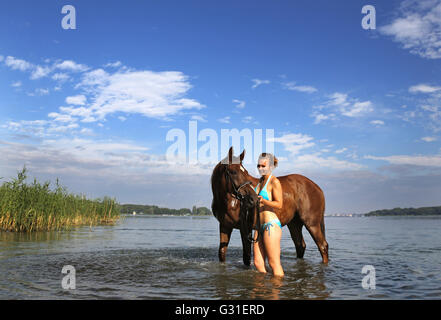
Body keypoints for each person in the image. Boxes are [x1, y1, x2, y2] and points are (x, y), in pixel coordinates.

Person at [253, 153, 284, 277]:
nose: (260, 168)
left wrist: (264, 201)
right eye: (258, 165)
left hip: (270, 225)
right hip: (258, 227)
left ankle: (276, 293)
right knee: (258, 263)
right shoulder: (260, 182)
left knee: (274, 263)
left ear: (270, 166)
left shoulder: (274, 181)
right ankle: (263, 291)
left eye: (263, 165)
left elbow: (279, 204)